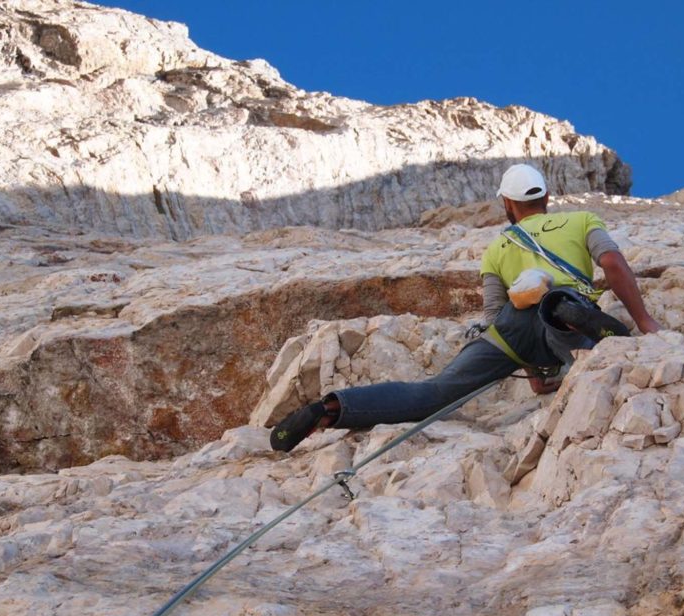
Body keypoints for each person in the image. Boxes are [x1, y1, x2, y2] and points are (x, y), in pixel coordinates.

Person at [269, 163, 661, 452]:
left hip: (508, 330)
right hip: (561, 313)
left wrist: (530, 371)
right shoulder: (581, 220)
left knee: (432, 393)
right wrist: (645, 323)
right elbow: (612, 264)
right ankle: (567, 319)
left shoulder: (496, 249)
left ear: (508, 203)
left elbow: (493, 318)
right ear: (546, 199)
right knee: (581, 347)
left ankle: (331, 409)